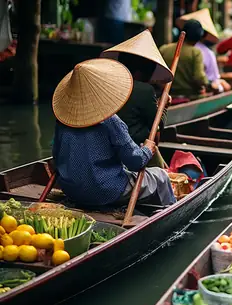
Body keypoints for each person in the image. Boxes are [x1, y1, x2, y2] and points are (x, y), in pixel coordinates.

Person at [52, 58, 176, 208]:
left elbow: (57, 157)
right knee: (160, 176)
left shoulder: (63, 120)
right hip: (106, 190)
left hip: (71, 189)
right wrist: (148, 149)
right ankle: (170, 212)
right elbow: (135, 161)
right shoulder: (110, 120)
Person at [101, 30, 175, 168]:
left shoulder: (108, 82)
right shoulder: (144, 90)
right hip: (131, 150)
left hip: (105, 146)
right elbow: (157, 126)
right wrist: (164, 107)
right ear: (141, 71)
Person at [177, 9, 231, 93]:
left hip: (174, 89)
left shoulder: (168, 48)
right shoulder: (203, 52)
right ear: (203, 34)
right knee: (224, 86)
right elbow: (204, 78)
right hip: (194, 91)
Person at [160, 20, 209, 99]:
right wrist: (208, 84)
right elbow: (199, 77)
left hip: (167, 95)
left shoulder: (164, 49)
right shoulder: (195, 52)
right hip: (190, 96)